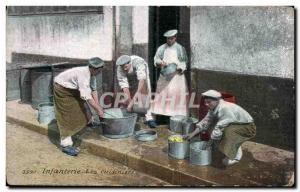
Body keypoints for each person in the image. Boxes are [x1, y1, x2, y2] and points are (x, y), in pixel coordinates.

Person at [184, 90, 256, 166]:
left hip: (247, 126)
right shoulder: (213, 108)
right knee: (212, 127)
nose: (206, 104)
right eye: (205, 102)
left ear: (217, 100)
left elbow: (220, 126)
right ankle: (233, 147)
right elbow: (205, 122)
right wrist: (191, 134)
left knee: (228, 132)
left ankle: (234, 157)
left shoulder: (224, 108)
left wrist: (209, 143)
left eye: (209, 102)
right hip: (233, 124)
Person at [53, 57, 105, 156]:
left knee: (82, 107)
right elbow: (86, 96)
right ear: (93, 68)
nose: (100, 72)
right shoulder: (83, 75)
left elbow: (93, 90)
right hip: (62, 89)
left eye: (100, 70)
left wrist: (98, 106)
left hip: (73, 89)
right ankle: (65, 145)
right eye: (99, 70)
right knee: (67, 115)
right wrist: (98, 110)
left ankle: (89, 122)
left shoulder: (92, 74)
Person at [146, 29, 189, 128]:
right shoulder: (162, 48)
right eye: (168, 39)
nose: (170, 41)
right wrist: (160, 62)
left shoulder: (180, 48)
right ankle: (161, 117)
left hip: (177, 76)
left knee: (176, 96)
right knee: (162, 95)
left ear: (175, 38)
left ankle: (177, 119)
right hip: (165, 74)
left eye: (172, 39)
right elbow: (156, 59)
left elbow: (184, 62)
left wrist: (180, 67)